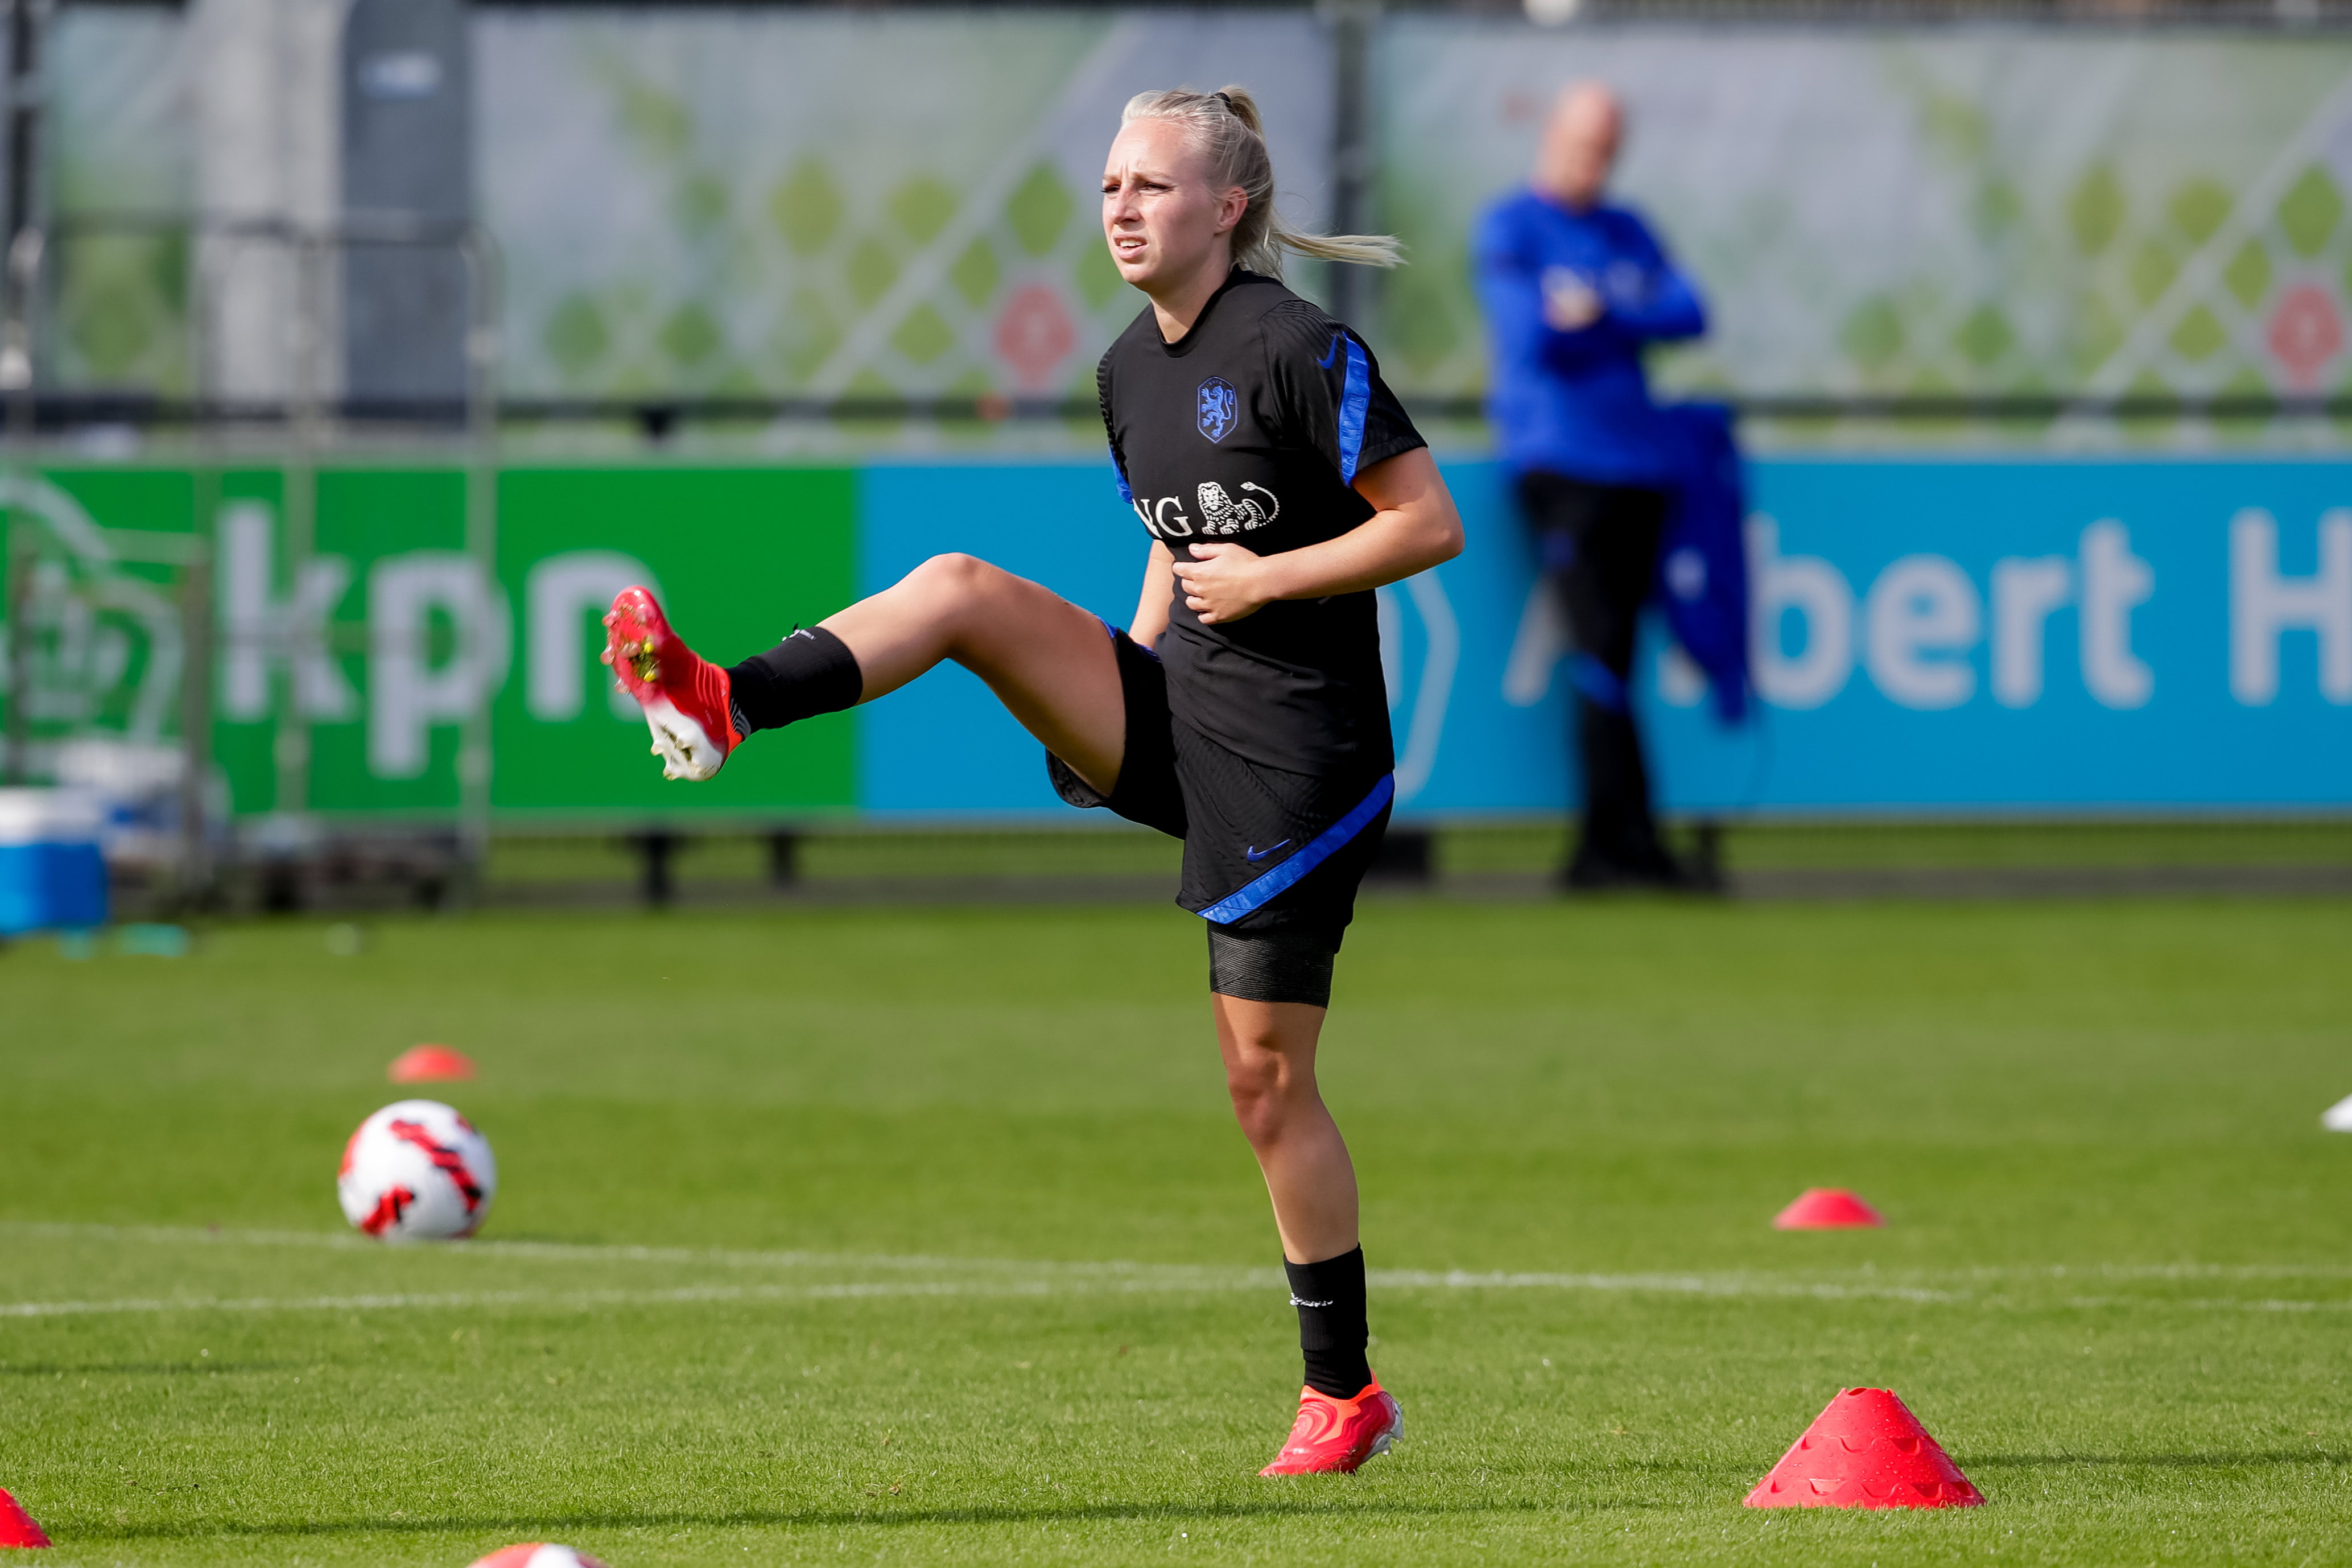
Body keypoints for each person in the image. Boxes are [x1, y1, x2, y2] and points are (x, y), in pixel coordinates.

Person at [600, 85, 1460, 1476]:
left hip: (1306, 761)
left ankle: (1342, 1391)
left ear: (1227, 208)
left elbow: (1429, 522)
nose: (1120, 206)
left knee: (1262, 1081)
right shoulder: (1131, 371)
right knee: (957, 589)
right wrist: (1115, 697)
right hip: (1184, 710)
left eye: (1153, 186)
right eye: (1112, 184)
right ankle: (726, 705)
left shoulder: (1300, 347)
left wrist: (1274, 575)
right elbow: (1166, 552)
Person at [1475, 82, 1709, 889]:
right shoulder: (1512, 225)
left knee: (1615, 652)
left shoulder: (1624, 230)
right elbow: (1532, 333)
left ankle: (1618, 843)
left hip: (1640, 466)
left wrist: (1601, 307)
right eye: (1581, 144)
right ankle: (1615, 844)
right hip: (1561, 464)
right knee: (1597, 649)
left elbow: (1688, 311)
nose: (1592, 162)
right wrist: (1626, 307)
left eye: (1605, 148)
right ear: (1551, 136)